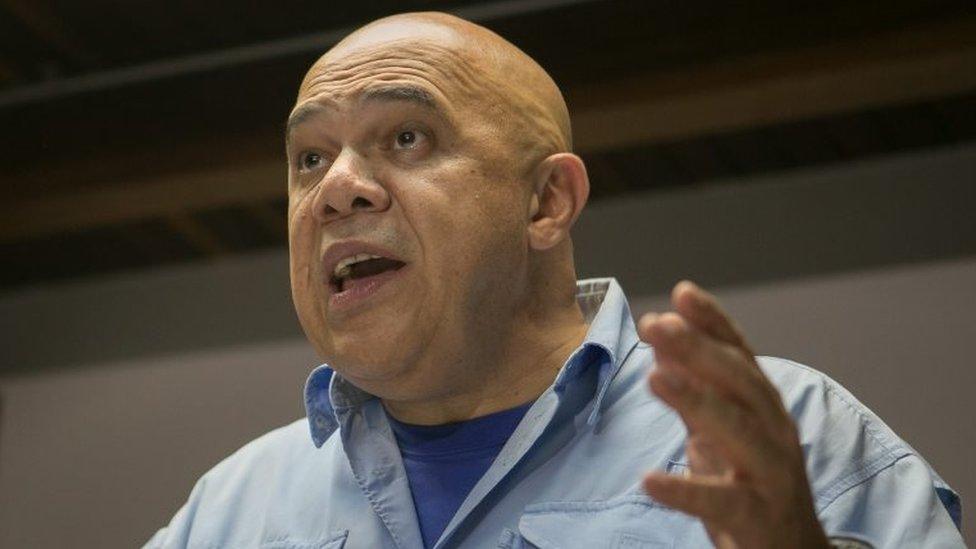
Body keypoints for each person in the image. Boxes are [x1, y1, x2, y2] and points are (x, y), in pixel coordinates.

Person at [145, 12, 963, 549]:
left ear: (546, 201)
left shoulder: (799, 438)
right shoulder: (229, 511)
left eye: (407, 136)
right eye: (310, 158)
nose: (336, 188)